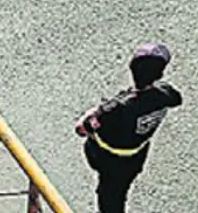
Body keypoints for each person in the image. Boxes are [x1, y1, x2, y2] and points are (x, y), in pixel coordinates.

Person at [75, 43, 183, 213]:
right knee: (120, 190)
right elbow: (177, 99)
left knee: (109, 198)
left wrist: (92, 113)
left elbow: (82, 128)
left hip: (107, 158)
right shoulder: (166, 95)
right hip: (135, 157)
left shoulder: (117, 108)